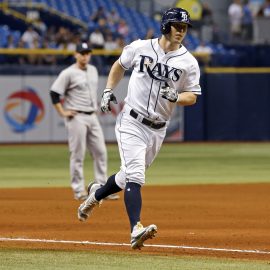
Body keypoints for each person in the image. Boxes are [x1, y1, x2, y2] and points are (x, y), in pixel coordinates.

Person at [78, 7, 201, 249]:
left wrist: (176, 96)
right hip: (131, 120)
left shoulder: (189, 62)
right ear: (166, 26)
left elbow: (193, 96)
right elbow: (119, 65)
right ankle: (136, 228)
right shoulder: (140, 47)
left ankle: (95, 194)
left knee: (126, 176)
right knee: (136, 174)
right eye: (178, 26)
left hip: (158, 129)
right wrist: (107, 90)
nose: (182, 31)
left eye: (185, 27)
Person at [50, 42, 119, 201]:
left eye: (87, 53)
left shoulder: (93, 70)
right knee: (77, 154)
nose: (85, 56)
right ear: (76, 55)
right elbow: (54, 93)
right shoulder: (68, 73)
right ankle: (78, 190)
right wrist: (62, 112)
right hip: (76, 117)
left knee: (101, 152)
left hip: (92, 115)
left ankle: (103, 189)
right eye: (82, 53)